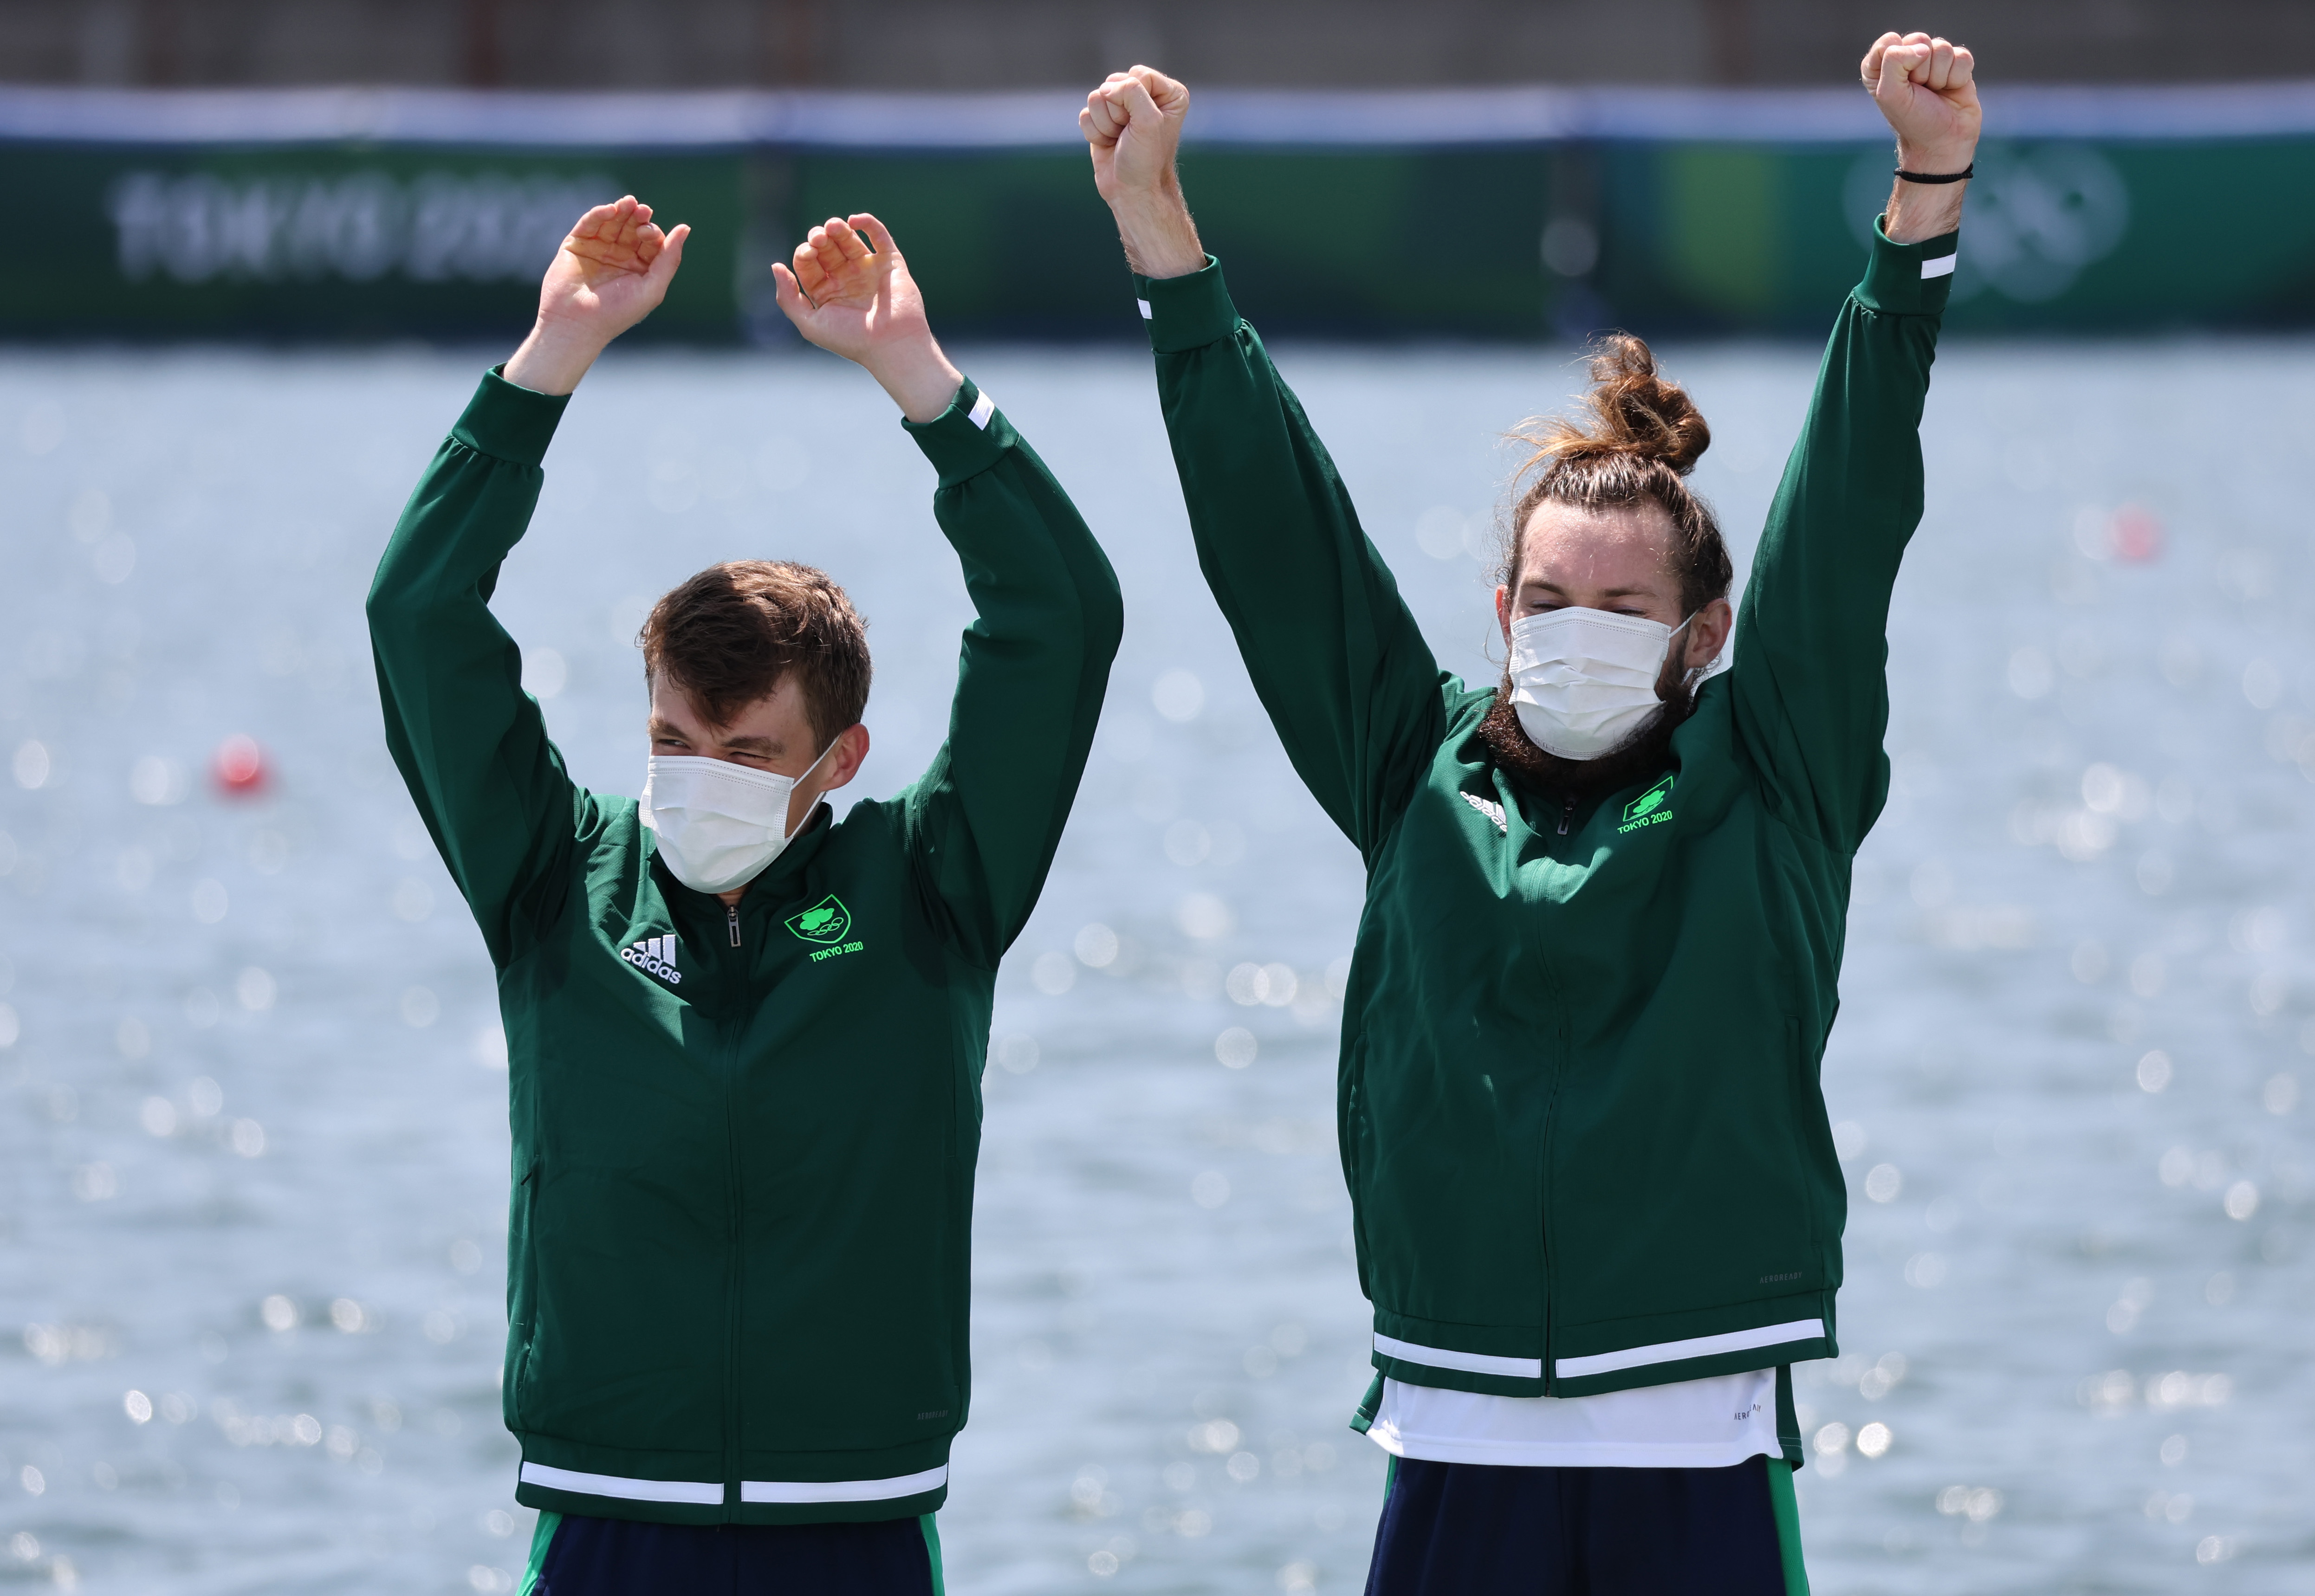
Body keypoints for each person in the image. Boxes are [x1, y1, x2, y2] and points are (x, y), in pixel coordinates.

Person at [1082, 31, 1978, 1595]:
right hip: (1450, 1426)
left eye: (1624, 604)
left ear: (1704, 636)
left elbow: (1848, 516)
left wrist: (1923, 197)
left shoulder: (1776, 778)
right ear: (1501, 607)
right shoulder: (1407, 763)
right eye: (1550, 599)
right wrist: (1162, 231)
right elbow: (1275, 534)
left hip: (1695, 1434)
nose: (1577, 627)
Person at [366, 196, 1122, 1592]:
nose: (698, 777)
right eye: (672, 742)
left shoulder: (929, 892)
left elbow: (1061, 620)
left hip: (854, 1520)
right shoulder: (553, 880)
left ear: (840, 759)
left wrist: (922, 384)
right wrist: (552, 356)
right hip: (606, 1511)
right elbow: (420, 615)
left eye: (748, 751)